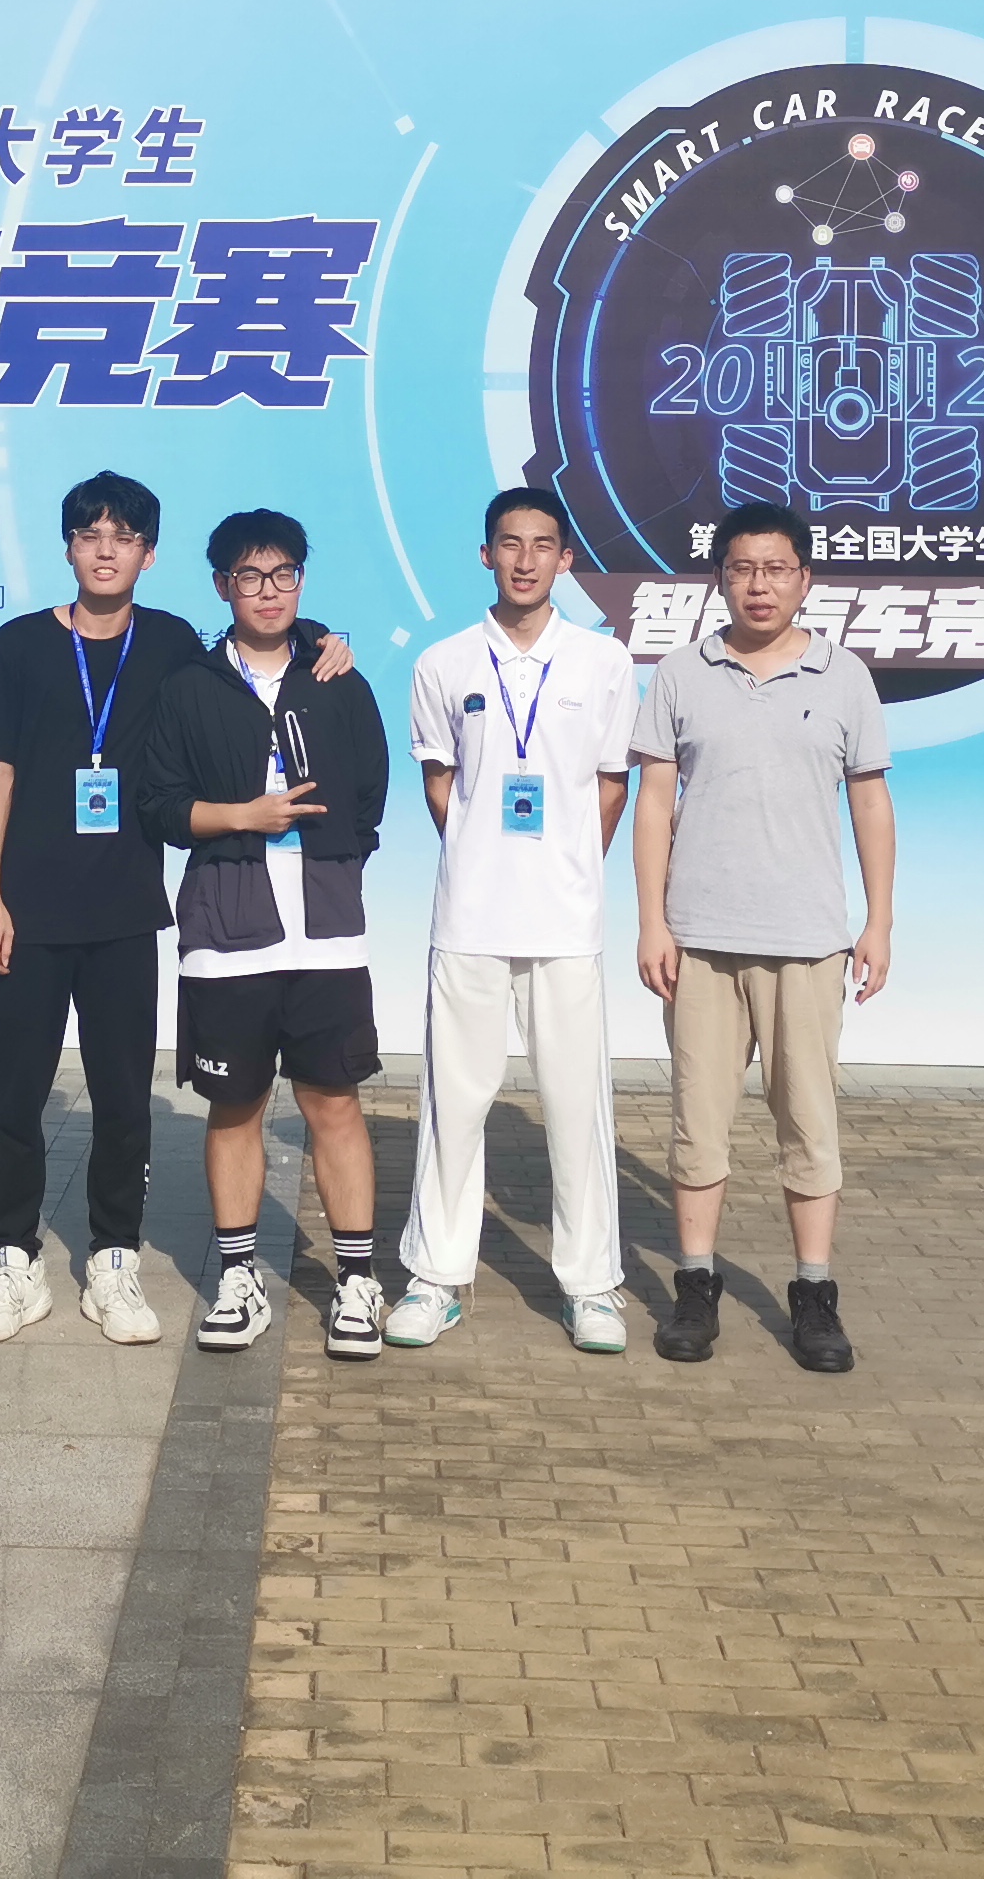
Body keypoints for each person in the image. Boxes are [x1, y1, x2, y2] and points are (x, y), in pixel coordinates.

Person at [0, 470, 354, 1348]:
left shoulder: (172, 642)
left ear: (149, 553)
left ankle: (112, 1258)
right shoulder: (20, 644)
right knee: (14, 1095)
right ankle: (13, 1262)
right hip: (27, 911)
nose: (106, 551)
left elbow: (255, 644)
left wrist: (328, 639)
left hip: (127, 913)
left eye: (124, 537)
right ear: (69, 546)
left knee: (122, 1099)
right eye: (90, 535)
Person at [631, 503, 895, 1376]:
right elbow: (655, 804)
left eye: (776, 568)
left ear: (804, 578)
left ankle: (814, 1292)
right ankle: (695, 1284)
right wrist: (652, 921)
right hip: (700, 941)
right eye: (742, 568)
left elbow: (870, 801)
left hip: (808, 942)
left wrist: (879, 921)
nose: (759, 584)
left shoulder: (844, 676)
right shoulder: (680, 674)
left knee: (809, 1126)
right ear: (719, 578)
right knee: (697, 1125)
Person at [135, 510, 393, 1357]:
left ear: (302, 580)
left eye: (284, 574)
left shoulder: (338, 678)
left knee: (334, 1104)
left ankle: (356, 1279)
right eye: (250, 576)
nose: (269, 591)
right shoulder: (190, 687)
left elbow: (369, 794)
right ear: (222, 586)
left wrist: (338, 862)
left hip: (326, 934)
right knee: (234, 1104)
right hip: (226, 928)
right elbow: (162, 807)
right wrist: (244, 816)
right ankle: (239, 1276)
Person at [390, 488, 641, 1353]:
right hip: (469, 917)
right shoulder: (445, 663)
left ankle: (591, 1285)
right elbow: (441, 785)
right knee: (453, 1104)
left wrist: (562, 866)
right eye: (509, 542)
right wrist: (485, 857)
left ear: (566, 558)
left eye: (542, 545)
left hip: (566, 923)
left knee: (577, 1107)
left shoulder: (603, 662)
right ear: (485, 553)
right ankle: (435, 1277)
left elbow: (611, 786)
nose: (525, 559)